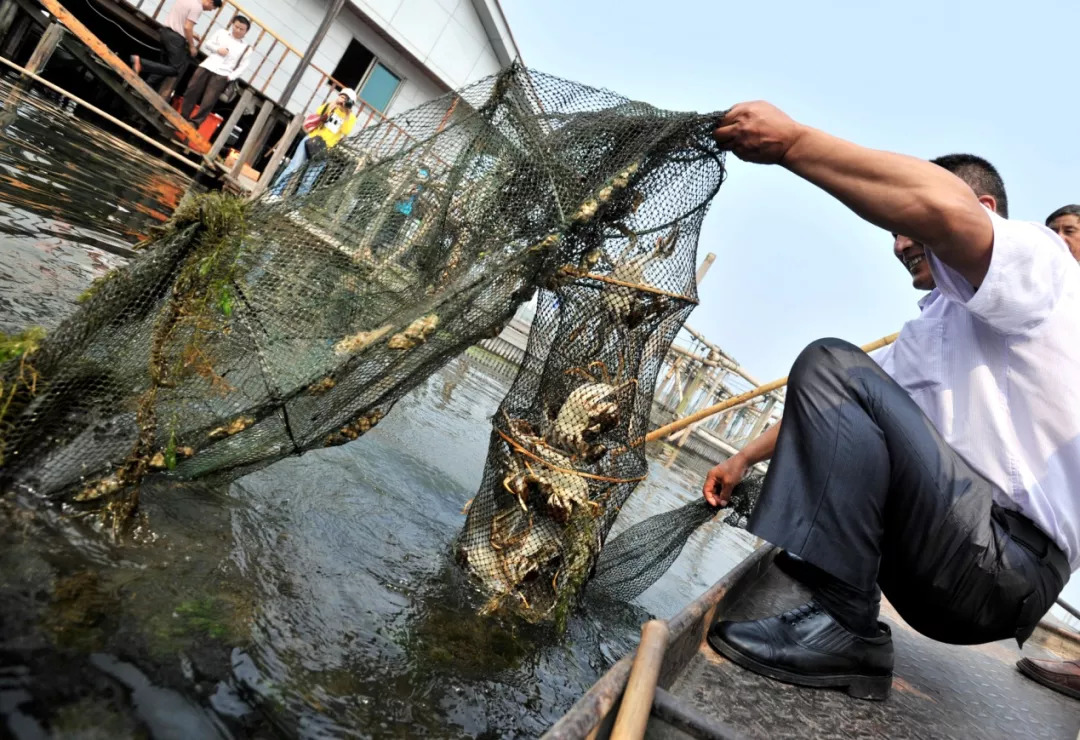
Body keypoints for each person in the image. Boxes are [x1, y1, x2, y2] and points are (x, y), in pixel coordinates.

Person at [701, 101, 1079, 702]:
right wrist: (742, 458)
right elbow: (840, 404)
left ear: (983, 210)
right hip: (950, 570)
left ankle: (848, 627)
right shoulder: (932, 331)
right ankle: (839, 573)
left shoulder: (1041, 264)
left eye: (906, 228)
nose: (900, 242)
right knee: (838, 371)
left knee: (830, 359)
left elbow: (939, 209)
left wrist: (795, 144)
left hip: (999, 567)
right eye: (895, 233)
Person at [269, 88, 359, 198]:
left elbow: (346, 131)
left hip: (326, 148)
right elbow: (318, 114)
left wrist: (347, 112)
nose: (343, 101)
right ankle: (274, 193)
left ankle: (295, 206)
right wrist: (333, 105)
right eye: (342, 97)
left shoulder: (351, 117)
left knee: (309, 179)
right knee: (293, 167)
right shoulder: (331, 106)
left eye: (347, 99)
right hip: (311, 139)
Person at [131, 0, 222, 91]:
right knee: (175, 69)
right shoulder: (197, 7)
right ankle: (141, 62)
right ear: (210, 2)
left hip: (165, 32)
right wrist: (192, 46)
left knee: (165, 65)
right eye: (212, 8)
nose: (210, 10)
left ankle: (148, 84)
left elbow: (180, 21)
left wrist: (192, 34)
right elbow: (187, 27)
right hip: (175, 39)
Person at [179, 15, 251, 126]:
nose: (237, 30)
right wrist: (218, 50)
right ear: (232, 24)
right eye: (236, 27)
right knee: (192, 89)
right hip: (208, 65)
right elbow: (208, 44)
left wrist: (230, 77)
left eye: (241, 29)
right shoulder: (221, 33)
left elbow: (243, 66)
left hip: (223, 73)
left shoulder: (246, 48)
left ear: (246, 32)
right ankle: (183, 115)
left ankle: (195, 122)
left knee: (209, 100)